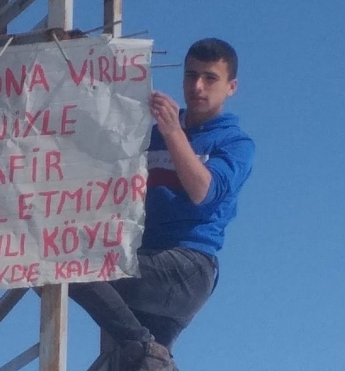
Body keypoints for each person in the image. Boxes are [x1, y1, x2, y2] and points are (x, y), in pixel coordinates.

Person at [69, 38, 255, 371]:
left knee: (67, 264)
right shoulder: (151, 135)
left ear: (232, 87)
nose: (197, 87)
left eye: (210, 78)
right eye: (191, 76)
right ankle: (147, 352)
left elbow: (203, 191)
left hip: (187, 265)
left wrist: (173, 132)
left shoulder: (235, 142)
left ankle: (145, 348)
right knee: (127, 365)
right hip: (144, 256)